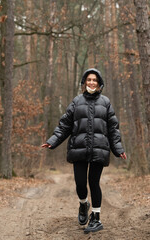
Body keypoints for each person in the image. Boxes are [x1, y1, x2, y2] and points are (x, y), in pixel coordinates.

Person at [41, 68, 127, 234]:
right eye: (89, 80)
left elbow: (113, 128)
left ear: (99, 83)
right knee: (80, 183)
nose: (92, 82)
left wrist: (118, 149)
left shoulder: (106, 102)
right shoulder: (76, 101)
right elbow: (65, 125)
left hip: (99, 149)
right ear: (84, 83)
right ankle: (83, 204)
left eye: (95, 80)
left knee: (94, 182)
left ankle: (96, 218)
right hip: (78, 148)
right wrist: (53, 141)